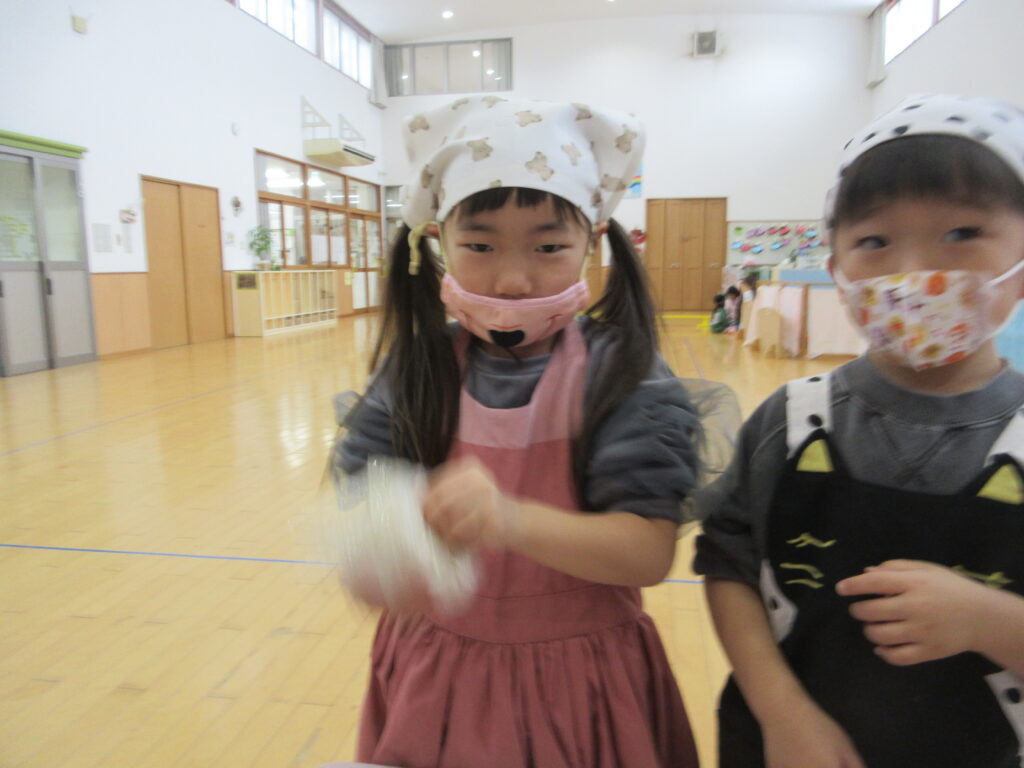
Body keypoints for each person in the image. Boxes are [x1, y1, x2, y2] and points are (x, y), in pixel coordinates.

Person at [334, 98, 702, 768]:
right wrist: (381, 554)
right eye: (479, 246)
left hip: (581, 688)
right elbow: (361, 501)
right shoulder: (416, 370)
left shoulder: (622, 373)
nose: (512, 279)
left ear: (593, 241)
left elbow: (647, 553)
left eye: (549, 246)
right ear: (438, 242)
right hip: (434, 681)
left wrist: (507, 519)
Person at [694, 93, 1024, 768]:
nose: (916, 271)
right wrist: (781, 711)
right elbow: (729, 563)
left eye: (962, 233)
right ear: (838, 271)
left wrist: (991, 620)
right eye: (875, 242)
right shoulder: (789, 419)